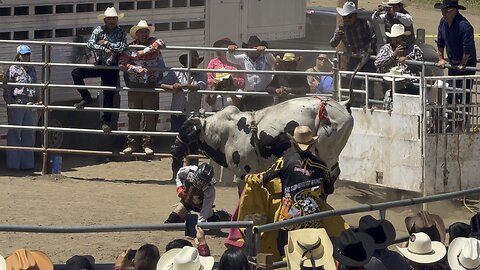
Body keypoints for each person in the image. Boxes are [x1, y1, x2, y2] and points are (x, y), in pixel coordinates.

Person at [243, 126, 339, 255]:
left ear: (294, 144)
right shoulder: (322, 166)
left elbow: (263, 178)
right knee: (312, 256)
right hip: (314, 221)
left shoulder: (285, 162)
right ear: (311, 144)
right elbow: (329, 189)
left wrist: (248, 177)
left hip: (289, 220)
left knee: (288, 256)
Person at [71, 7, 127, 132]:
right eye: (110, 19)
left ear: (117, 19)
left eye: (114, 18)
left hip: (112, 66)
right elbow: (90, 44)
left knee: (108, 94)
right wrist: (103, 49)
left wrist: (106, 44)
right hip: (100, 63)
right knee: (76, 73)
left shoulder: (121, 32)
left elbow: (122, 46)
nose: (112, 21)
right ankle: (86, 97)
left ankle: (105, 122)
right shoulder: (99, 30)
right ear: (105, 20)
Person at [119, 20, 166, 155]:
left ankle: (147, 144)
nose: (144, 34)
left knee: (150, 116)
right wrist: (136, 69)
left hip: (151, 84)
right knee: (133, 115)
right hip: (135, 85)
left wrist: (141, 53)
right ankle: (132, 143)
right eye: (141, 32)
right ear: (136, 34)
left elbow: (160, 43)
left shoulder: (154, 42)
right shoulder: (130, 47)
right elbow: (122, 64)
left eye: (146, 32)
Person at [160, 50, 206, 178]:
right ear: (185, 61)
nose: (194, 62)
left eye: (195, 60)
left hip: (193, 115)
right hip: (178, 112)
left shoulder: (201, 74)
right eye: (192, 60)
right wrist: (173, 87)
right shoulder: (175, 71)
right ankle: (177, 173)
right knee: (177, 144)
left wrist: (182, 85)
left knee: (193, 145)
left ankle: (193, 174)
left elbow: (201, 87)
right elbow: (162, 83)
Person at [435, 0, 477, 130]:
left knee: (464, 95)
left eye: (446, 11)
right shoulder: (442, 23)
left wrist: (463, 63)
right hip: (453, 64)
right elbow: (440, 42)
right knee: (451, 95)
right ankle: (452, 122)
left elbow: (468, 48)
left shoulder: (464, 25)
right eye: (442, 10)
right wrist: (441, 58)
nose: (443, 13)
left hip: (466, 65)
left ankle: (463, 124)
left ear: (454, 10)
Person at [330, 2, 377, 105]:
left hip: (367, 58)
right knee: (353, 83)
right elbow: (333, 44)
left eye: (349, 16)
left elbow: (373, 40)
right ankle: (355, 104)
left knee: (368, 83)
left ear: (355, 16)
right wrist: (337, 37)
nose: (346, 19)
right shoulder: (341, 28)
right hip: (354, 59)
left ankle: (368, 105)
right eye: (344, 17)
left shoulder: (365, 24)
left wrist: (363, 51)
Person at [3, 45, 40, 172]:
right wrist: (10, 103)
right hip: (17, 102)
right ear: (18, 55)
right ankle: (13, 164)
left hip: (30, 103)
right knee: (15, 133)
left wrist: (38, 100)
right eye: (24, 54)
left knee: (28, 134)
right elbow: (7, 87)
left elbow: (36, 85)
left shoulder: (32, 69)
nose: (26, 56)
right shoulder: (13, 69)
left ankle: (27, 164)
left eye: (28, 54)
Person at [226, 35, 275, 111]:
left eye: (255, 46)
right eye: (251, 46)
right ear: (247, 48)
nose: (253, 49)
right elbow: (231, 58)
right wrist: (230, 51)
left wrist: (265, 51)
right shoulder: (243, 57)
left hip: (265, 95)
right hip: (249, 95)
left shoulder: (266, 57)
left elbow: (273, 61)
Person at [206, 38, 244, 111]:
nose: (225, 49)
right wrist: (216, 82)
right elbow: (209, 77)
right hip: (217, 89)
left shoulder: (236, 62)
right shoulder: (213, 62)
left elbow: (242, 81)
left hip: (232, 89)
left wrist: (231, 80)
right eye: (222, 47)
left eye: (227, 47)